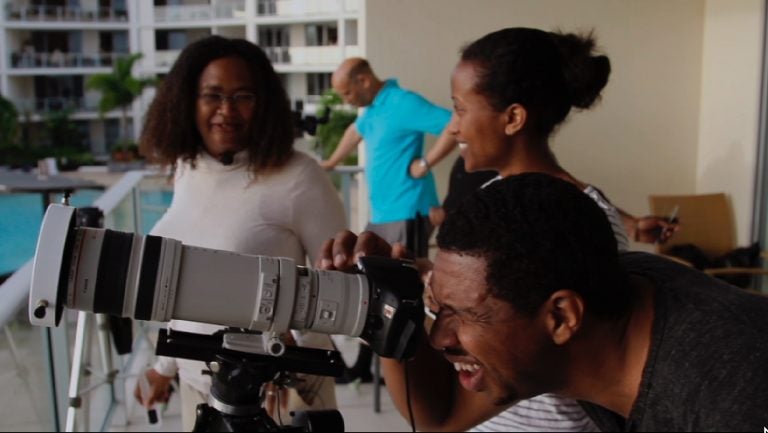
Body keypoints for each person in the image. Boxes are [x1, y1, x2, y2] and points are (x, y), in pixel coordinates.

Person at [325, 27, 679, 431]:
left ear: (512, 117)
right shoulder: (494, 201)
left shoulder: (580, 220)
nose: (453, 127)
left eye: (460, 109)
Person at [318, 173, 768, 432]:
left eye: (460, 315)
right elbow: (443, 417)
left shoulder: (729, 401)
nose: (438, 338)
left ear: (561, 317)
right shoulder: (613, 285)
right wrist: (389, 303)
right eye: (439, 307)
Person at [134, 35, 346, 431]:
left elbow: (341, 284)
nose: (226, 110)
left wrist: (301, 350)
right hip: (197, 390)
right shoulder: (187, 169)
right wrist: (163, 368)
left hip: (275, 396)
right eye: (212, 95)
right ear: (188, 101)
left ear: (263, 104)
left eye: (243, 96)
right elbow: (183, 286)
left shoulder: (299, 176)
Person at [321, 57, 457, 382]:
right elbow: (354, 133)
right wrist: (327, 164)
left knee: (400, 292)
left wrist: (425, 162)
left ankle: (405, 369)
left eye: (346, 93)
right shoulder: (372, 111)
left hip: (407, 210)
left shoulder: (402, 102)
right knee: (369, 285)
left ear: (364, 80)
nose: (345, 101)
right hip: (382, 213)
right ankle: (367, 368)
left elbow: (454, 123)